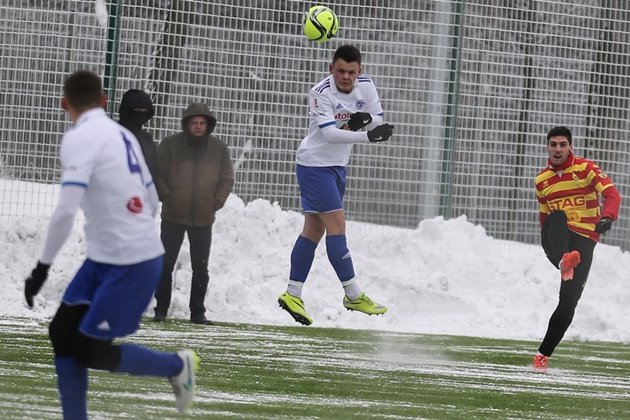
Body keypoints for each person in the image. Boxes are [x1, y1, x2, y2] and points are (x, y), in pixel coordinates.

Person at [23, 70, 199, 418]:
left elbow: (66, 210)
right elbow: (150, 198)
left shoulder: (79, 137)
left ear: (64, 105)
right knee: (62, 332)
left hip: (129, 264)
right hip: (111, 257)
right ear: (104, 101)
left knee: (90, 350)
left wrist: (41, 268)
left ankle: (176, 366)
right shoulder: (124, 136)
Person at [277, 44, 395, 326]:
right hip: (314, 164)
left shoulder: (365, 85)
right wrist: (367, 136)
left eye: (351, 72)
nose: (346, 77)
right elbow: (329, 134)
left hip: (337, 167)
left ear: (359, 72)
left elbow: (377, 115)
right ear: (331, 69)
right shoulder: (319, 93)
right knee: (337, 224)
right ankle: (352, 293)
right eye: (340, 71)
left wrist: (365, 120)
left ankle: (293, 293)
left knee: (314, 230)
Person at [532, 126, 621, 372]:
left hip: (583, 243)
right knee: (557, 215)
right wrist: (549, 245)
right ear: (547, 147)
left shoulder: (586, 169)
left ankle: (542, 356)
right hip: (556, 241)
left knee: (568, 304)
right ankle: (563, 260)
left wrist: (608, 217)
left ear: (570, 146)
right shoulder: (542, 180)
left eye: (562, 144)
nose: (558, 149)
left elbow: (612, 194)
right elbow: (545, 218)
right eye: (553, 144)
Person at [153, 102, 234, 324]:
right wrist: (168, 196)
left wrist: (215, 202)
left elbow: (227, 178)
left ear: (208, 125)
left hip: (203, 218)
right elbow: (158, 174)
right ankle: (161, 309)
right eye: (194, 123)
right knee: (165, 264)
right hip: (172, 215)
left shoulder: (219, 149)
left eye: (202, 123)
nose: (198, 127)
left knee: (201, 267)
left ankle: (198, 312)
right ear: (186, 124)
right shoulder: (170, 145)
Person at [118, 89, 159, 183]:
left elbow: (154, 170)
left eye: (145, 111)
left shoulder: (147, 139)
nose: (141, 115)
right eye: (137, 111)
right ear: (126, 111)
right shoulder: (113, 135)